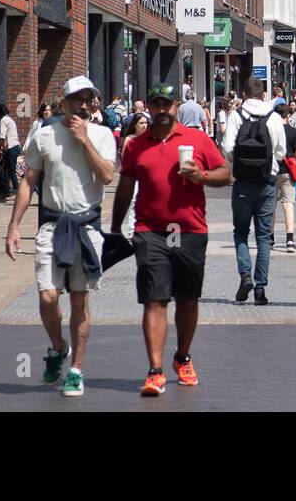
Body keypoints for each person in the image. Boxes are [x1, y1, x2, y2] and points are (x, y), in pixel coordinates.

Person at [114, 84, 230, 396]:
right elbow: (125, 187)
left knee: (188, 298)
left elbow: (225, 173)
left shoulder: (197, 139)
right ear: (148, 107)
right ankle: (155, 370)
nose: (162, 110)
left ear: (177, 106)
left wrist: (201, 177)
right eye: (156, 104)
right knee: (154, 298)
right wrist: (115, 229)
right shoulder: (136, 146)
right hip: (150, 231)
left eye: (168, 104)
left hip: (190, 230)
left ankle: (183, 356)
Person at [8, 76, 117, 397]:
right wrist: (14, 226)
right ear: (64, 102)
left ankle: (76, 370)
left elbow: (108, 175)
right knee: (47, 296)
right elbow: (29, 181)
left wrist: (84, 140)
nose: (82, 105)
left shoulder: (103, 135)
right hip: (52, 226)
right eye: (75, 99)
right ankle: (58, 347)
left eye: (88, 99)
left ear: (95, 104)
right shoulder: (43, 136)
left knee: (80, 300)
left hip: (87, 227)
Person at [221, 78, 287, 305]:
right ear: (263, 94)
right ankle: (260, 288)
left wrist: (239, 162)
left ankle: (245, 274)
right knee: (263, 238)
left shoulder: (236, 116)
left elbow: (228, 147)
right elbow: (281, 151)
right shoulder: (275, 117)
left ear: (244, 93)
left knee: (240, 232)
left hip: (242, 183)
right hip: (266, 181)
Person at [273, 103, 296, 253]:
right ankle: (290, 239)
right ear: (287, 115)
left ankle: (270, 237)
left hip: (272, 171)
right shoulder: (293, 132)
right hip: (287, 173)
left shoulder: (270, 131)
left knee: (270, 206)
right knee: (288, 205)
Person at [0, 103, 21, 194]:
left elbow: (2, 137)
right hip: (16, 146)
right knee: (5, 168)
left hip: (11, 147)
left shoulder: (3, 120)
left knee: (11, 171)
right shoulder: (11, 120)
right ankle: (5, 190)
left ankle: (16, 189)